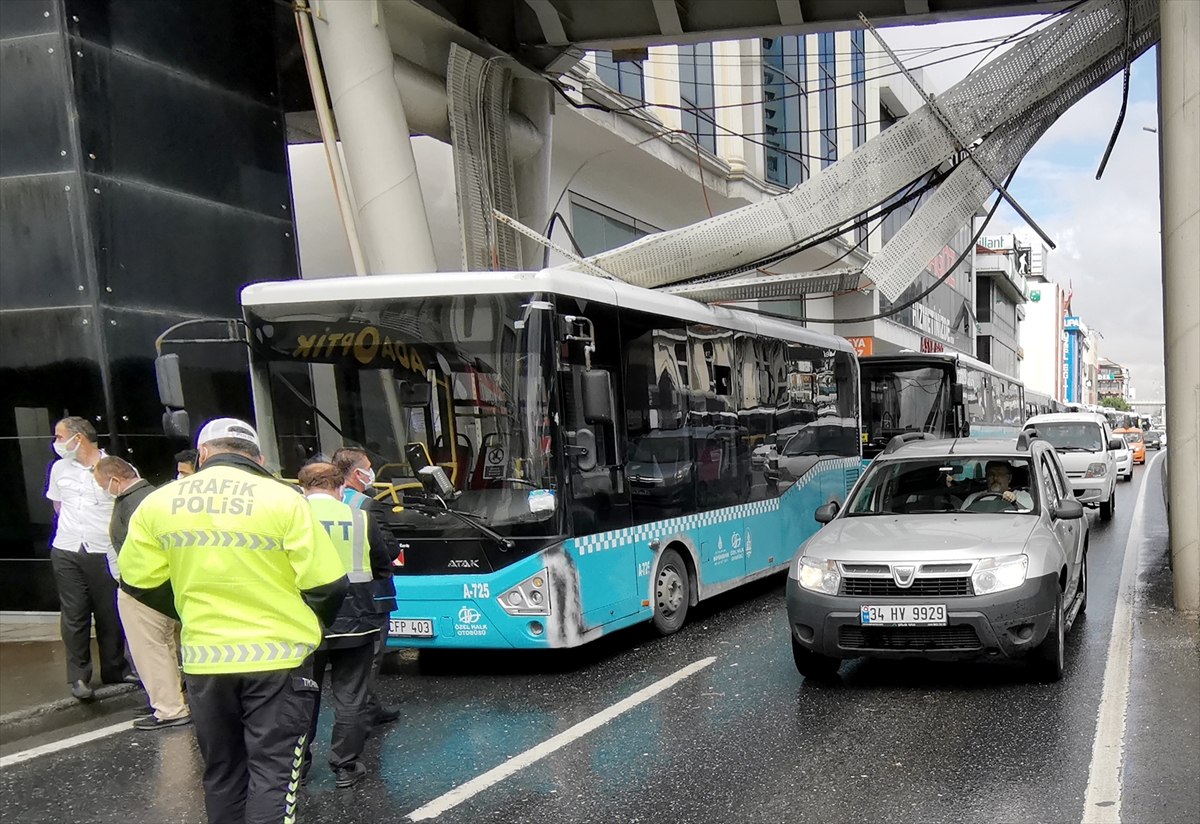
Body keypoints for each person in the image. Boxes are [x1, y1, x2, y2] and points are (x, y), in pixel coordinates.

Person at [119, 418, 348, 824]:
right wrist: (309, 624)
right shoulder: (284, 500)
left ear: (203, 454)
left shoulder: (157, 503)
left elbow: (136, 581)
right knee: (274, 777)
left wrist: (187, 610)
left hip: (205, 661)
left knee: (223, 775)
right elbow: (328, 584)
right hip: (279, 660)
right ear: (257, 458)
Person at [298, 463, 395, 788]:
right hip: (357, 620)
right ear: (341, 488)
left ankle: (297, 767)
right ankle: (345, 765)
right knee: (351, 696)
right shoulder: (359, 517)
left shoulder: (291, 517)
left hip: (305, 621)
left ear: (303, 487)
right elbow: (383, 565)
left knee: (301, 696)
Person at [95, 456, 190, 731]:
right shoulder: (155, 496)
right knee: (168, 648)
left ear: (115, 480)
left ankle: (169, 708)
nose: (103, 489)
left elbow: (131, 546)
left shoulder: (134, 503)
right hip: (165, 587)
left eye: (102, 484)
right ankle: (176, 699)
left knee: (151, 650)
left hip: (142, 588)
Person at [45, 416, 134, 700]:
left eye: (60, 437)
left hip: (103, 550)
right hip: (68, 549)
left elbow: (128, 506)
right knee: (74, 614)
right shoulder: (59, 468)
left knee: (110, 613)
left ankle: (114, 669)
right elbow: (58, 505)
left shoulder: (117, 467)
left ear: (78, 438)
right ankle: (79, 678)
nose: (56, 443)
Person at [331, 447, 400, 726]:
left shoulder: (310, 503)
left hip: (326, 593)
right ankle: (361, 717)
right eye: (368, 467)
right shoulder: (366, 505)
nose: (372, 473)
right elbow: (388, 548)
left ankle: (370, 707)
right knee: (367, 660)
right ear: (357, 473)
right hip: (369, 594)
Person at [963, 461, 1034, 512]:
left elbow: (1030, 518)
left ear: (1009, 478)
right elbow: (960, 519)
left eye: (1000, 474)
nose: (995, 478)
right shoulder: (972, 498)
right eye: (991, 474)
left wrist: (1014, 502)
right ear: (986, 477)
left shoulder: (1022, 496)